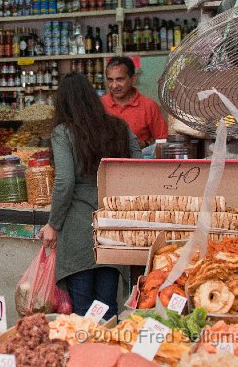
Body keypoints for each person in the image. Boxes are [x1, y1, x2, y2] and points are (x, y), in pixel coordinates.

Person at [39, 72, 141, 319]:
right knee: (107, 307)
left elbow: (65, 181)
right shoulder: (119, 127)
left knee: (83, 311)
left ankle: (86, 356)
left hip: (78, 229)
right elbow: (139, 166)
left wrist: (53, 224)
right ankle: (108, 354)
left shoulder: (64, 132)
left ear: (62, 102)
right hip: (112, 225)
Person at [101, 56, 168, 148]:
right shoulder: (99, 105)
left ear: (133, 79)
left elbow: (163, 142)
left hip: (139, 161)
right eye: (110, 80)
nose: (114, 85)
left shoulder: (149, 106)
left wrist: (145, 144)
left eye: (120, 79)